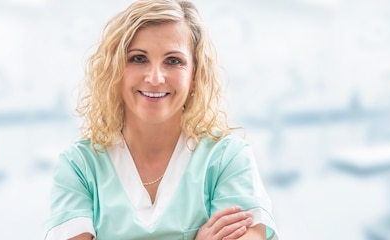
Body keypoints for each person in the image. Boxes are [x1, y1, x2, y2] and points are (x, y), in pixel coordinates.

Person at [44, 0, 278, 239]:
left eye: (173, 61)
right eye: (138, 58)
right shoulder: (79, 166)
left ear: (195, 76)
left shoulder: (226, 159)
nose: (155, 78)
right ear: (115, 70)